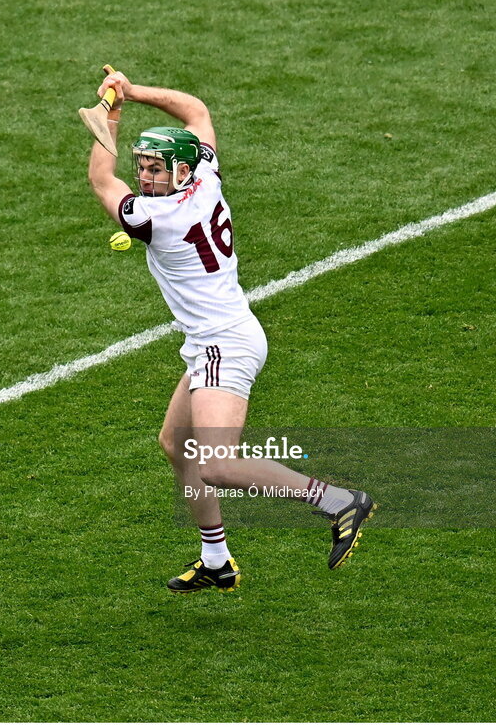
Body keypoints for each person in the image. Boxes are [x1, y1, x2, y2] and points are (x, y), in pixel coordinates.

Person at [86, 70, 376, 593]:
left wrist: (111, 112)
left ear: (178, 173)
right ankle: (215, 559)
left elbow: (102, 180)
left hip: (225, 343)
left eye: (155, 169)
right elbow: (196, 111)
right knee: (177, 445)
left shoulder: (155, 217)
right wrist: (133, 90)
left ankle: (338, 501)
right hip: (214, 338)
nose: (146, 178)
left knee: (216, 464)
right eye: (144, 168)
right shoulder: (205, 176)